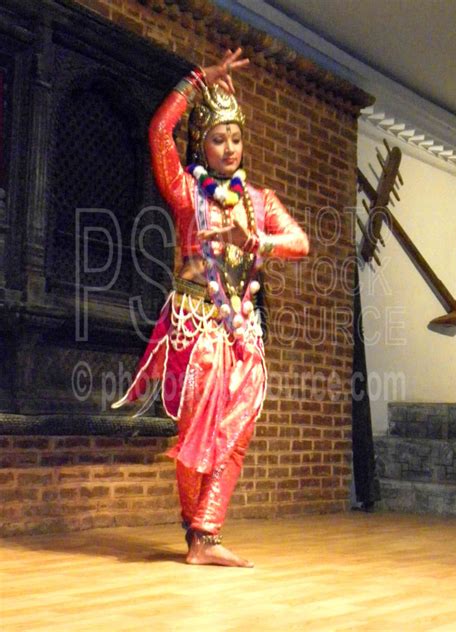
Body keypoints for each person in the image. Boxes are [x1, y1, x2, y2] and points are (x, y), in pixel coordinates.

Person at [112, 49, 309, 567]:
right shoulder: (185, 193)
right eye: (218, 138)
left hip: (243, 333)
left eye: (236, 138)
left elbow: (301, 242)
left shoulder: (260, 201)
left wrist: (256, 242)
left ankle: (208, 533)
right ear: (202, 143)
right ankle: (194, 533)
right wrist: (198, 80)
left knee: (236, 434)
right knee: (195, 437)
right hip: (194, 327)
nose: (229, 148)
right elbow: (159, 132)